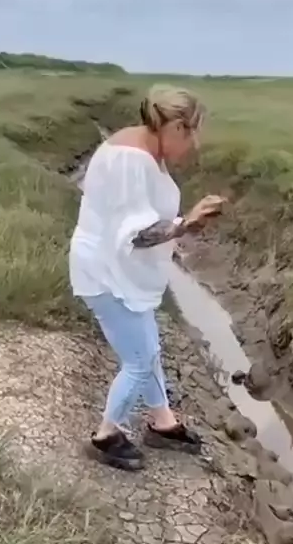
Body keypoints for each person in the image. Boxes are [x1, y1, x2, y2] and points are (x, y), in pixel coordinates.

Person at [69, 84, 227, 471]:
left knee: (148, 347)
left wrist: (183, 223)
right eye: (192, 134)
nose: (194, 145)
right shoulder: (133, 161)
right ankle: (106, 436)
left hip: (117, 268)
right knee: (139, 360)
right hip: (106, 272)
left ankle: (162, 423)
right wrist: (186, 223)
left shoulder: (141, 144)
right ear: (176, 127)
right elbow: (137, 235)